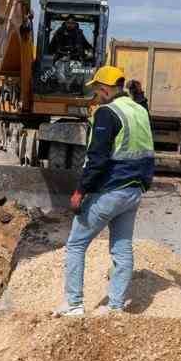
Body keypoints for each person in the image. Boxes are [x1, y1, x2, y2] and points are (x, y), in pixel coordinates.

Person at [56, 65, 155, 317]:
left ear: (104, 88)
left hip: (111, 190)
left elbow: (97, 159)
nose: (96, 96)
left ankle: (74, 304)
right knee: (122, 249)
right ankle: (115, 307)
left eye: (97, 91)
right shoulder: (139, 110)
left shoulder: (106, 113)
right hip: (134, 191)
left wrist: (80, 190)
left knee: (76, 244)